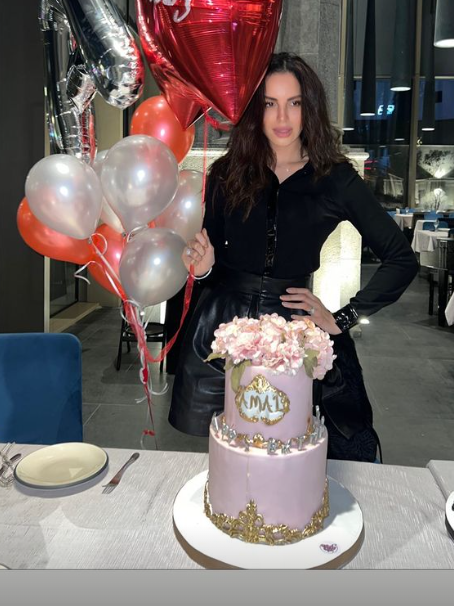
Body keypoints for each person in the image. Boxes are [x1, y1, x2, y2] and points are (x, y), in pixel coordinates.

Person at [168, 52, 419, 461]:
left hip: (293, 336)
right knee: (229, 457)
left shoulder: (334, 178)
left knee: (290, 456)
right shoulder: (228, 172)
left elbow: (401, 259)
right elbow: (212, 266)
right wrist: (203, 268)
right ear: (255, 109)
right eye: (270, 103)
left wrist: (343, 318)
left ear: (309, 108)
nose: (282, 117)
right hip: (222, 332)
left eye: (294, 102)